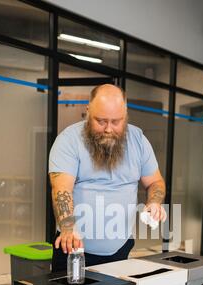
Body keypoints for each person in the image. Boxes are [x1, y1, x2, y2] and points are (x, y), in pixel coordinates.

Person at [49, 84, 166, 271]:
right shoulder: (69, 140)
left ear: (125, 114)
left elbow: (155, 182)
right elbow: (61, 189)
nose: (108, 129)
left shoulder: (139, 141)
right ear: (88, 111)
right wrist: (68, 228)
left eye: (116, 121)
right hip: (74, 248)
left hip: (121, 249)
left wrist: (154, 202)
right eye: (101, 121)